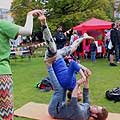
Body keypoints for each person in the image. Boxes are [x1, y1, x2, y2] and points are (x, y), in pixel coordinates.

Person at [0, 9, 42, 120]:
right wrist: (29, 15)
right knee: (6, 115)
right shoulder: (2, 24)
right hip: (2, 74)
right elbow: (28, 31)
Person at [38, 12, 94, 91]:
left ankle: (44, 24)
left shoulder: (68, 83)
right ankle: (83, 37)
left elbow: (73, 64)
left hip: (52, 57)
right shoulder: (72, 83)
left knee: (52, 47)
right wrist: (85, 71)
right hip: (60, 56)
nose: (80, 92)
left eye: (79, 93)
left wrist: (83, 76)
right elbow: (74, 65)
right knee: (73, 48)